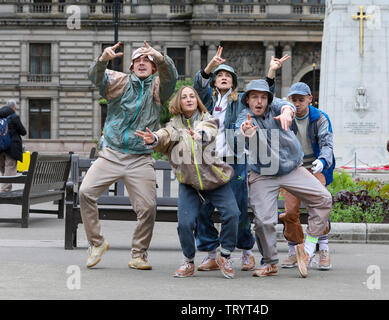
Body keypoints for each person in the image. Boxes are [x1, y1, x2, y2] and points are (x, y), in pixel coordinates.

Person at [81, 41, 178, 270]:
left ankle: (138, 254)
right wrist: (103, 60)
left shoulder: (157, 88)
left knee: (147, 208)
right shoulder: (119, 81)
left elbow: (171, 78)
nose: (142, 63)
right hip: (112, 154)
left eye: (148, 60)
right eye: (138, 60)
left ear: (154, 68)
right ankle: (97, 243)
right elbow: (95, 77)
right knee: (85, 192)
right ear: (132, 66)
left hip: (140, 158)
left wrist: (161, 58)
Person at [193, 46, 290, 272]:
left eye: (228, 76)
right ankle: (210, 253)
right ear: (215, 81)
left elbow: (262, 95)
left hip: (234, 159)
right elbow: (199, 85)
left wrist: (271, 71)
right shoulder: (206, 100)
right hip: (208, 160)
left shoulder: (239, 102)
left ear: (234, 82)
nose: (223, 78)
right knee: (203, 208)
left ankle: (246, 251)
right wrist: (210, 67)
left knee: (239, 207)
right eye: (220, 75)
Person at [135, 86, 240, 279]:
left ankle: (224, 255)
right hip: (189, 183)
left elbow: (209, 130)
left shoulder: (208, 119)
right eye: (185, 97)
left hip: (215, 179)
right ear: (179, 102)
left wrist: (199, 135)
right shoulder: (174, 126)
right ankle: (188, 261)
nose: (189, 99)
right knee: (185, 223)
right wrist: (155, 138)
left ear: (197, 100)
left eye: (192, 96)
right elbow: (165, 135)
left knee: (233, 214)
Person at [236, 79, 332, 278]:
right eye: (254, 97)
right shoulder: (243, 117)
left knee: (323, 198)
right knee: (263, 222)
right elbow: (240, 131)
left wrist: (288, 111)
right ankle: (270, 262)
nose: (259, 101)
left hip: (291, 169)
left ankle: (307, 249)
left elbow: (286, 105)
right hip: (262, 175)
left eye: (263, 97)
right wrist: (246, 132)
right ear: (247, 100)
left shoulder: (277, 106)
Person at [278, 82, 335, 271]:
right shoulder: (285, 117)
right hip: (294, 169)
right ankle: (295, 251)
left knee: (318, 206)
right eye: (294, 100)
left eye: (301, 100)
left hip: (316, 167)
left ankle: (323, 248)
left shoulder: (320, 118)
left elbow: (327, 143)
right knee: (290, 211)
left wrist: (323, 160)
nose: (298, 103)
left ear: (310, 99)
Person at [0, 100, 27, 192]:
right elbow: (23, 132)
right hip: (11, 147)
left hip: (0, 146)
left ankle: (6, 188)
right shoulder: (14, 117)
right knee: (10, 167)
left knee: (4, 167)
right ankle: (5, 190)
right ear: (14, 107)